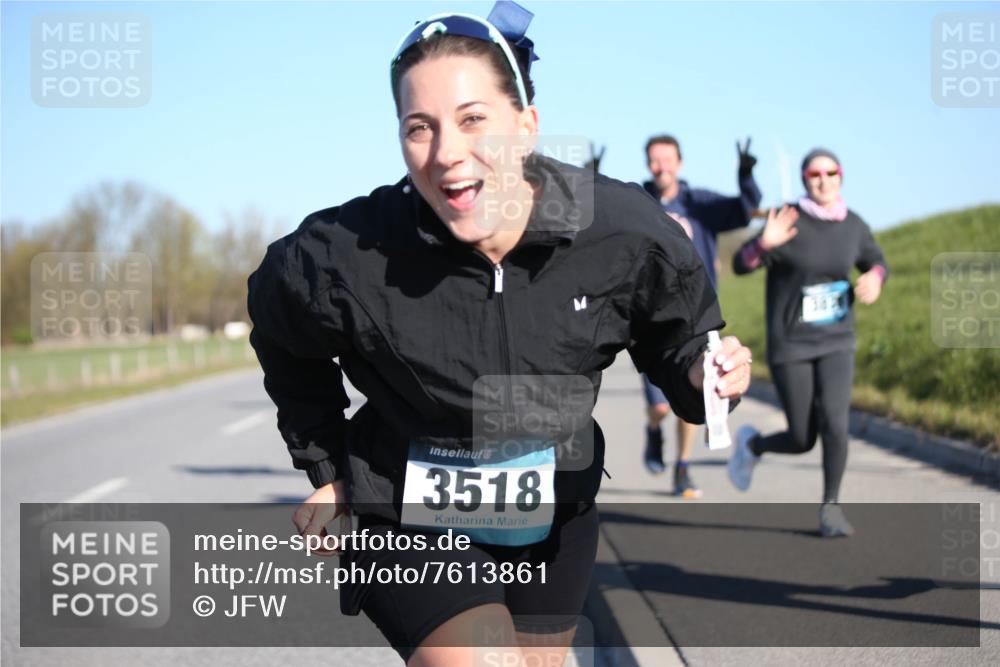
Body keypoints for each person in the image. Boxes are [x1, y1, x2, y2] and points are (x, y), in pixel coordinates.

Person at [248, 3, 753, 665]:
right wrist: (325, 464)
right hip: (406, 513)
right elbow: (280, 319)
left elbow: (680, 336)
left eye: (472, 120)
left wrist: (703, 376)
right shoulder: (352, 250)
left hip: (551, 513)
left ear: (525, 125)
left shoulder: (618, 228)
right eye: (418, 128)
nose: (447, 153)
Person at [728, 148, 888, 538]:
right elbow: (740, 265)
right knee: (802, 438)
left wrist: (875, 279)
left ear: (841, 175)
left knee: (835, 422)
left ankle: (831, 507)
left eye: (830, 172)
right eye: (813, 174)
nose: (823, 180)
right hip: (792, 344)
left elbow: (876, 260)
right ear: (804, 180)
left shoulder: (853, 225)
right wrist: (763, 244)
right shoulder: (788, 219)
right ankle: (754, 447)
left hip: (837, 340)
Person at [639, 134, 762, 498]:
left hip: (694, 317)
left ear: (679, 162)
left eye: (667, 159)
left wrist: (745, 175)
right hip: (650, 320)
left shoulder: (700, 204)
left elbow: (743, 209)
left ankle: (682, 467)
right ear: (648, 164)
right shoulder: (640, 203)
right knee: (660, 407)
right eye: (654, 160)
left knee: (688, 394)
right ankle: (653, 430)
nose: (661, 166)